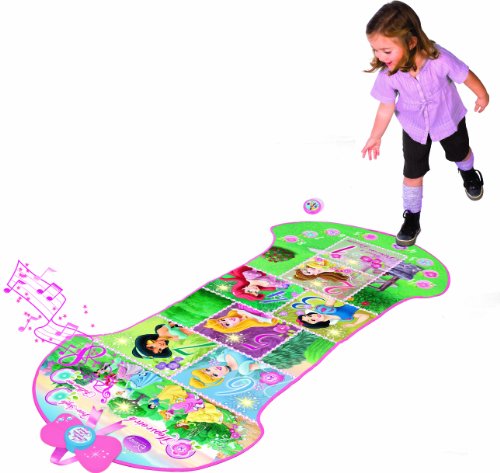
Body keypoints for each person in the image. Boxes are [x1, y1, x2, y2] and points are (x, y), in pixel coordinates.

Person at [362, 1, 489, 246]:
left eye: (386, 51)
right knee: (412, 171)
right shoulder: (388, 74)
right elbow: (385, 107)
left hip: (448, 118)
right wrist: (375, 136)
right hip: (415, 127)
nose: (379, 57)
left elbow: (464, 74)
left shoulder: (439, 58)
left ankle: (468, 172)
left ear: (411, 42)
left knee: (459, 152)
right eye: (375, 50)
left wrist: (482, 95)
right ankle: (412, 217)